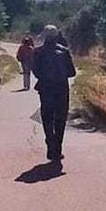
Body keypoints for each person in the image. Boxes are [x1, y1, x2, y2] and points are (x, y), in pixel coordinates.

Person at [31, 25, 77, 164]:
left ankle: (50, 141)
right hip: (62, 88)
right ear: (57, 36)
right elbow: (72, 72)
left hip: (46, 88)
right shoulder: (64, 51)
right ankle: (57, 147)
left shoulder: (38, 52)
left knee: (47, 117)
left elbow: (36, 71)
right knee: (61, 118)